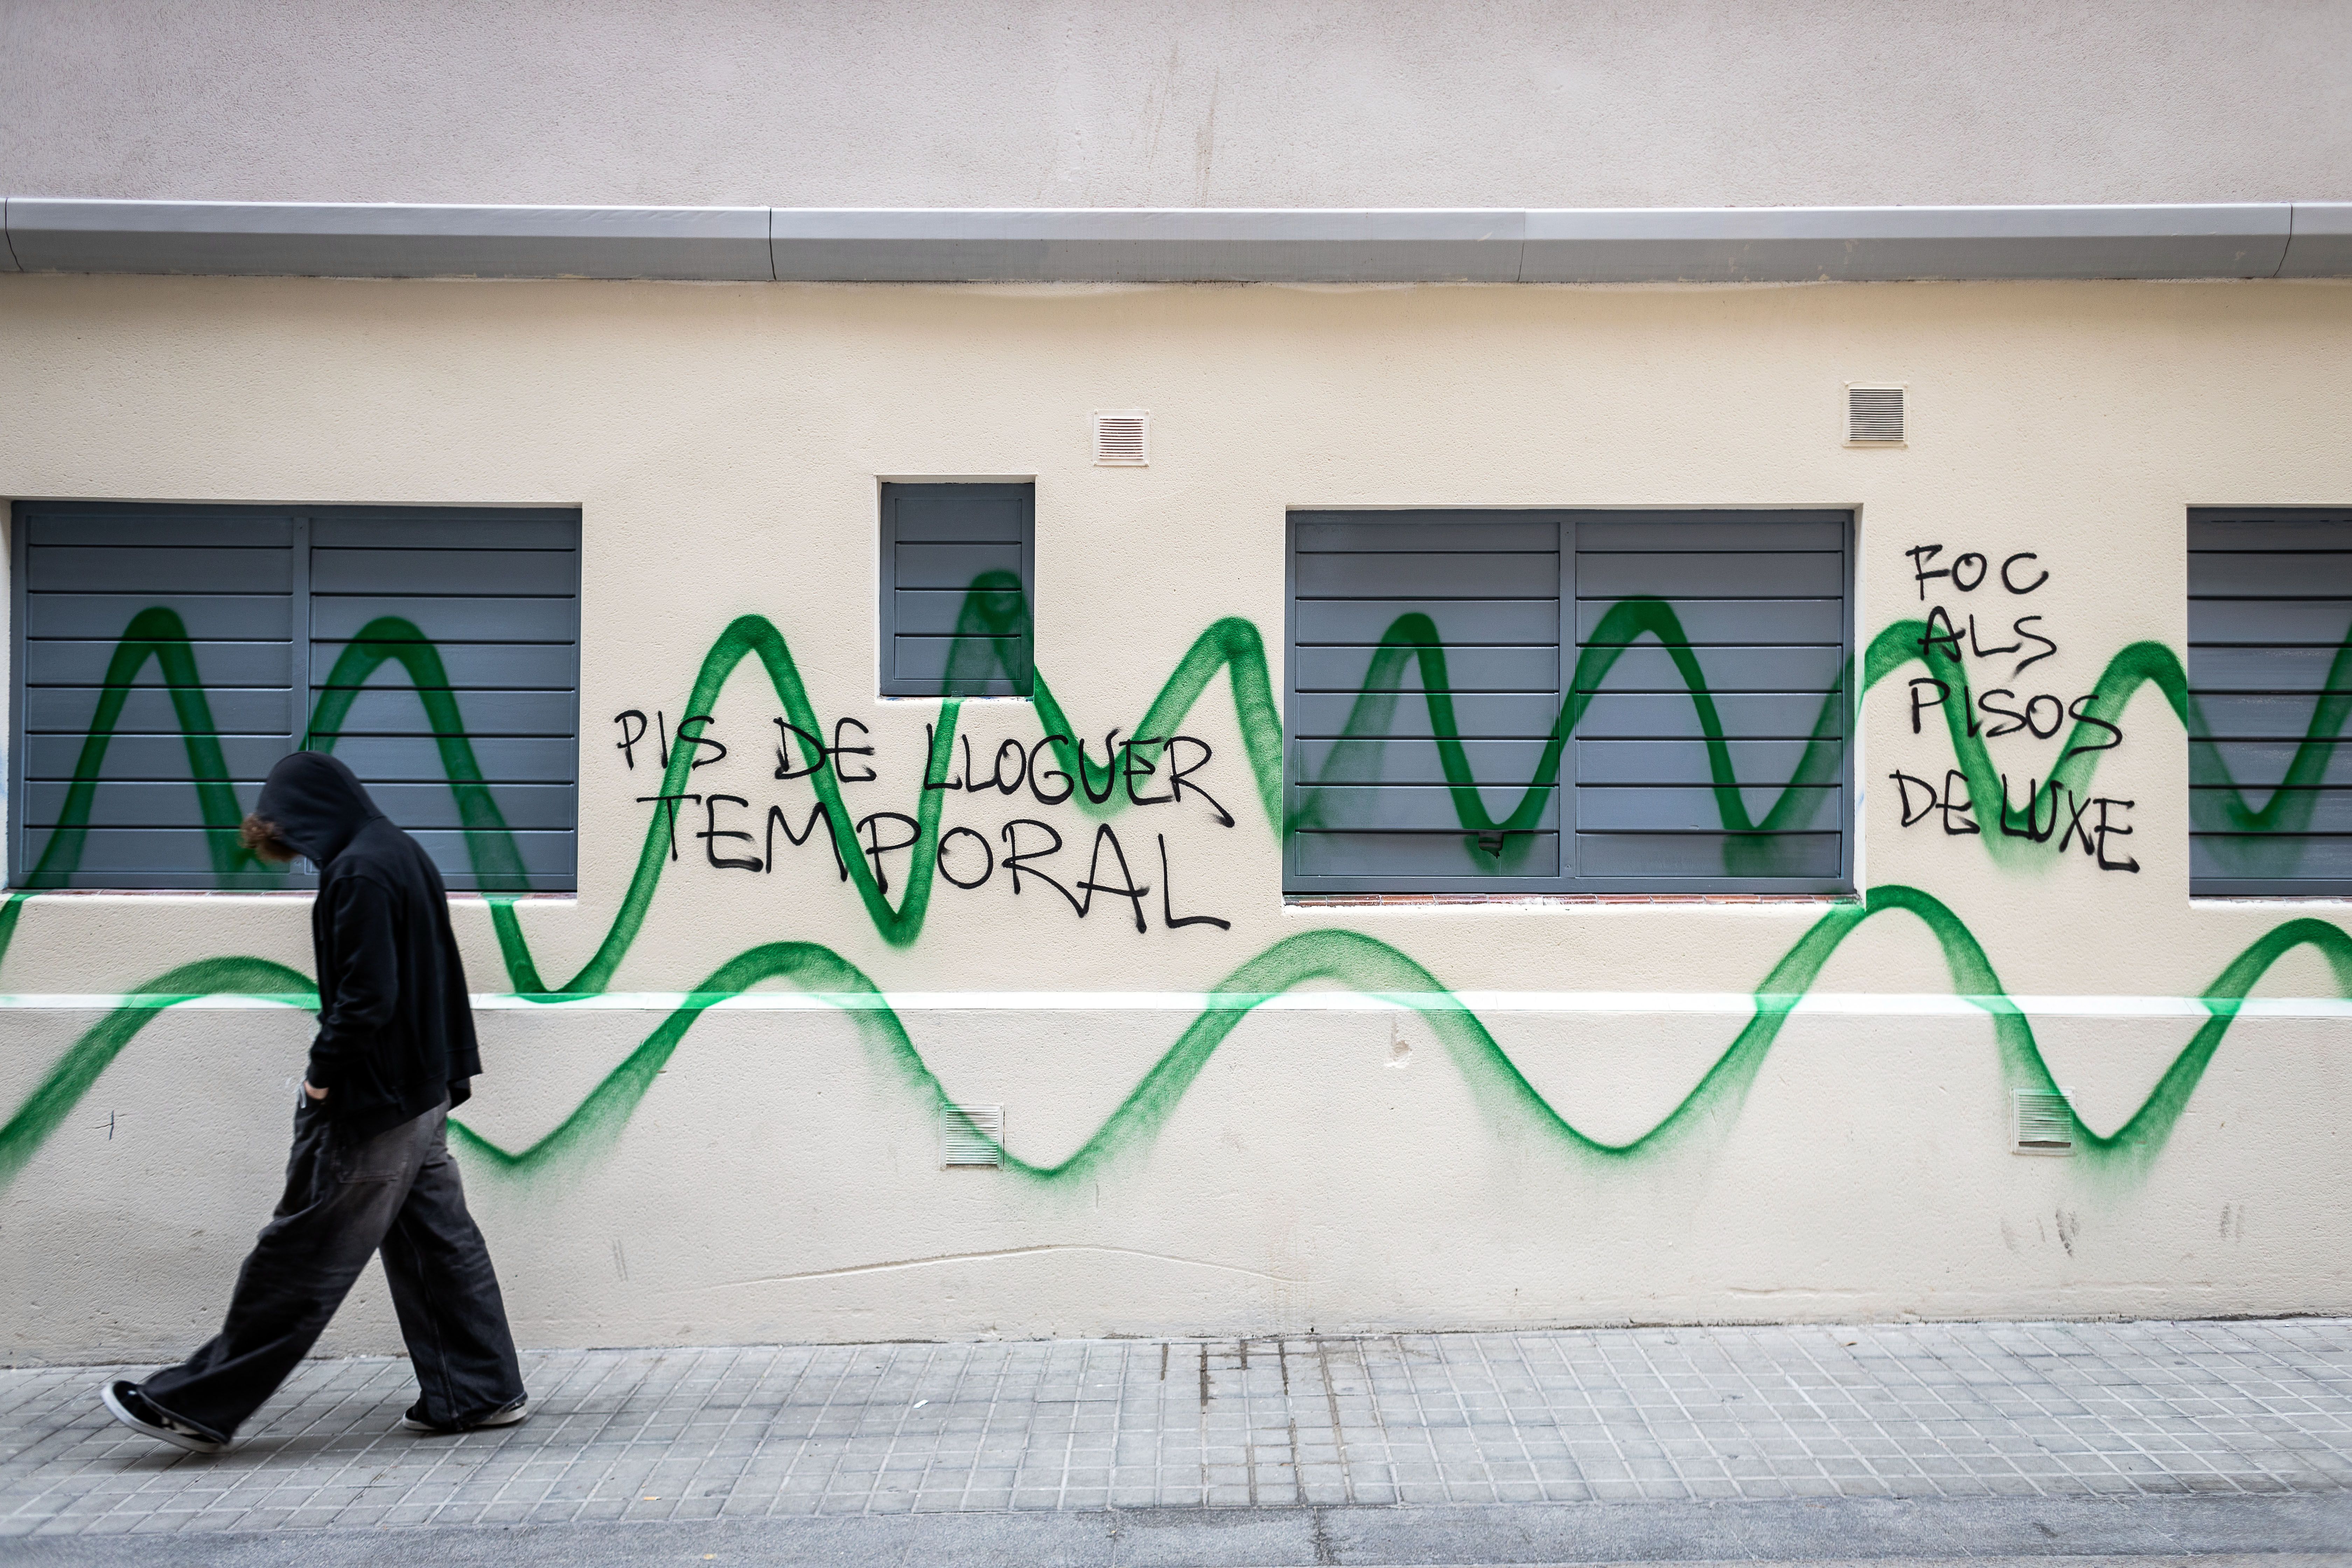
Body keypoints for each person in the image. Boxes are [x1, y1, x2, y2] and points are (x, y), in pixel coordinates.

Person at [100, 752, 527, 1454]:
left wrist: (321, 1078)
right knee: (439, 1244)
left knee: (300, 1254)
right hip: (420, 1094)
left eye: (291, 835)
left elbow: (368, 996)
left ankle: (196, 1403)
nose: (296, 853)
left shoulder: (357, 869)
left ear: (308, 811)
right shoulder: (402, 851)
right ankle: (481, 1390)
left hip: (375, 1098)